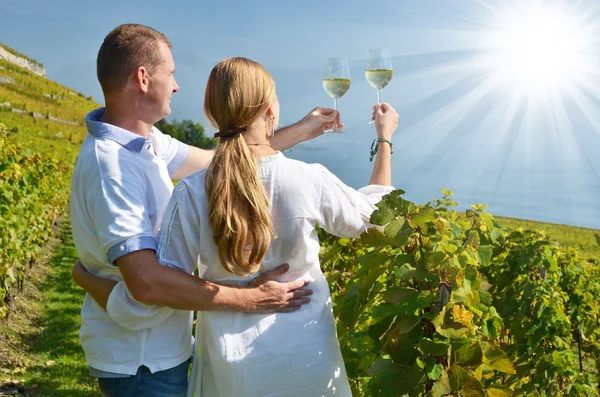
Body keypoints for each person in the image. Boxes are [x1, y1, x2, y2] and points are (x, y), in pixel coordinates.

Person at [75, 56, 398, 396]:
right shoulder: (310, 179)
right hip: (307, 365)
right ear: (271, 110)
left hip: (229, 371)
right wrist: (385, 139)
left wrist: (86, 278)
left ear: (211, 114)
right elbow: (377, 219)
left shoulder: (191, 191)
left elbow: (156, 293)